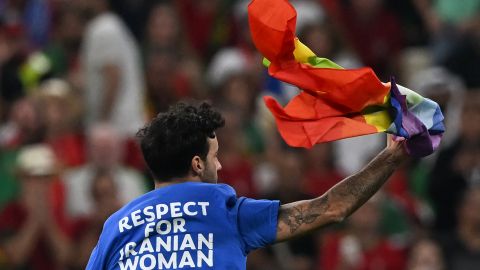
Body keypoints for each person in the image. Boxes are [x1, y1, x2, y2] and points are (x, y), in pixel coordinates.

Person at [86, 101, 411, 269]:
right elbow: (333, 208)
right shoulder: (223, 210)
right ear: (197, 165)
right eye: (214, 157)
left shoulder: (117, 226)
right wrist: (391, 156)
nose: (220, 165)